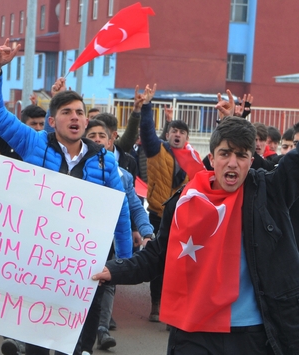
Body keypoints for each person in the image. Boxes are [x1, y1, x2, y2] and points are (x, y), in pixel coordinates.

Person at [93, 107, 299, 355]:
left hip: (253, 334)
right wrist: (113, 270)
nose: (232, 162)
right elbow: (159, 255)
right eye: (225, 153)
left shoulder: (271, 191)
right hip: (195, 332)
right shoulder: (184, 201)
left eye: (241, 155)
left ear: (251, 161)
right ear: (212, 159)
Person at [0, 38, 132, 355]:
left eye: (80, 112)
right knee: (37, 343)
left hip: (85, 269)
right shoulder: (33, 144)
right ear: (53, 121)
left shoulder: (105, 161)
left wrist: (123, 264)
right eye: (67, 112)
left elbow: (120, 212)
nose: (75, 117)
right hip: (41, 267)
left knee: (79, 346)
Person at [138, 84, 204, 322]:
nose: (177, 134)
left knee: (179, 264)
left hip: (182, 219)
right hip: (157, 215)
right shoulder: (156, 151)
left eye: (182, 132)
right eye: (174, 130)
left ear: (187, 137)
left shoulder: (194, 160)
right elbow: (146, 131)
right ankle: (156, 304)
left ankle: (171, 308)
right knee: (158, 260)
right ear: (167, 134)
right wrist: (147, 106)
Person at [85, 119, 153, 351]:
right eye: (91, 135)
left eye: (101, 135)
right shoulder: (74, 168)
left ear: (111, 139)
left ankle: (102, 330)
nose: (96, 139)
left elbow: (135, 207)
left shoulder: (123, 175)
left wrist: (146, 232)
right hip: (74, 240)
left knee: (106, 281)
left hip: (106, 240)